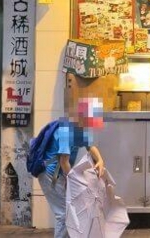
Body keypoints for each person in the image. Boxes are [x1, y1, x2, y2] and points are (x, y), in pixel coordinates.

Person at [39, 97, 106, 238]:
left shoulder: (81, 128)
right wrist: (74, 181)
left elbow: (91, 146)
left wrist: (100, 160)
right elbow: (64, 161)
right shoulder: (66, 130)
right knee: (64, 214)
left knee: (71, 211)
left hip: (61, 174)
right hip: (50, 175)